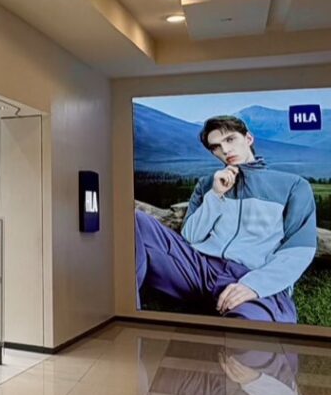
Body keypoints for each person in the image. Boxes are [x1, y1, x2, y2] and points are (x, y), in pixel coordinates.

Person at [135, 115, 316, 323]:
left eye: (230, 139)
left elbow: (299, 250)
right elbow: (190, 236)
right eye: (216, 147)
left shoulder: (294, 186)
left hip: (250, 275)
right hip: (199, 269)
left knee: (251, 329)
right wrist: (215, 195)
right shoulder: (207, 184)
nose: (225, 150)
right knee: (137, 222)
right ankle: (126, 311)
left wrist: (253, 285)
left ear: (248, 138)